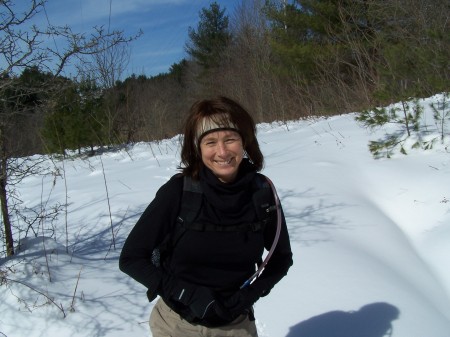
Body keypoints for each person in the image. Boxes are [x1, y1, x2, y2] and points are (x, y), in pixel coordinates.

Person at [119, 96, 293, 337]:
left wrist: (249, 295)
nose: (222, 152)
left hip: (235, 326)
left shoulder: (261, 193)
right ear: (197, 149)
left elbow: (281, 258)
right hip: (176, 324)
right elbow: (131, 258)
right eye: (210, 142)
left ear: (245, 141)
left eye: (230, 139)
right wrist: (185, 293)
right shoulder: (179, 192)